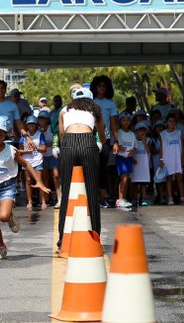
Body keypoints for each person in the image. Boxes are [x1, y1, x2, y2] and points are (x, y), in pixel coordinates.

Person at [0, 116, 48, 260]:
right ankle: (1, 246)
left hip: (7, 186)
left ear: (5, 134)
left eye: (0, 134)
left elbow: (26, 164)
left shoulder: (11, 150)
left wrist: (39, 181)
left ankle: (9, 216)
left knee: (3, 216)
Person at [56, 87, 107, 251]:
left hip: (69, 144)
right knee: (92, 191)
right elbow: (102, 135)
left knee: (66, 193)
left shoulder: (64, 110)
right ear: (90, 99)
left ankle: (62, 238)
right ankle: (95, 236)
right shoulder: (94, 109)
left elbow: (62, 134)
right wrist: (99, 144)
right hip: (87, 142)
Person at [90, 75, 119, 208]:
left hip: (105, 140)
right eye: (99, 86)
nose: (101, 88)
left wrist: (116, 141)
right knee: (91, 168)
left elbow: (113, 124)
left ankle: (102, 197)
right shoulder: (90, 102)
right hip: (90, 139)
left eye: (104, 86)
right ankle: (91, 196)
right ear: (95, 87)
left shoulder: (111, 103)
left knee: (104, 169)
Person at [18, 115, 48, 209]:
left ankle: (43, 201)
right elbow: (20, 151)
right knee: (28, 180)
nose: (31, 126)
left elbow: (44, 148)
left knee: (39, 180)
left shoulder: (40, 134)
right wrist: (27, 151)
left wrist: (37, 148)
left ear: (36, 125)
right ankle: (30, 201)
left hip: (38, 160)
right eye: (29, 124)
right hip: (27, 161)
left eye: (33, 124)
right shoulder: (24, 136)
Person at [159, 115, 184, 205]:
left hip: (177, 158)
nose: (172, 123)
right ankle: (170, 198)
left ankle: (182, 198)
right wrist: (161, 159)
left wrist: (182, 157)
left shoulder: (179, 132)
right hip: (167, 158)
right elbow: (161, 148)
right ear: (167, 123)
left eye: (174, 121)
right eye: (170, 121)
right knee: (169, 178)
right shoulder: (163, 134)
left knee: (179, 177)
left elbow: (182, 147)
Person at [114, 112, 136, 210]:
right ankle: (120, 199)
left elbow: (135, 146)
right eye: (124, 120)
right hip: (121, 157)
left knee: (126, 178)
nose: (126, 122)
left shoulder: (132, 134)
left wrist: (133, 150)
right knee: (124, 177)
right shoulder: (118, 133)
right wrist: (121, 147)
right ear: (120, 122)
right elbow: (118, 146)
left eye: (128, 120)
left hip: (129, 158)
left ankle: (123, 198)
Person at [131, 121, 152, 206]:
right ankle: (134, 199)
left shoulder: (149, 140)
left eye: (143, 130)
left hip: (144, 165)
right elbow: (131, 152)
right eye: (140, 131)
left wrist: (144, 142)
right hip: (136, 165)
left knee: (143, 183)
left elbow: (149, 151)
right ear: (136, 132)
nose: (142, 132)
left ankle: (143, 198)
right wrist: (132, 159)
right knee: (135, 183)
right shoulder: (133, 141)